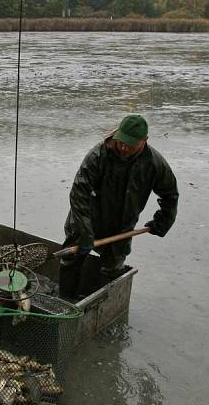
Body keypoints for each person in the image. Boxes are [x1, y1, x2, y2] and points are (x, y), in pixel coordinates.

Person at [60, 114, 179, 298]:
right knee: (70, 259)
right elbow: (79, 193)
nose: (124, 147)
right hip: (87, 218)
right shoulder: (98, 155)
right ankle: (65, 299)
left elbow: (170, 195)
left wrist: (163, 221)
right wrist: (85, 232)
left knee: (112, 268)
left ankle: (99, 303)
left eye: (130, 144)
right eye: (122, 141)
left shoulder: (154, 163)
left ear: (144, 141)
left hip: (121, 227)